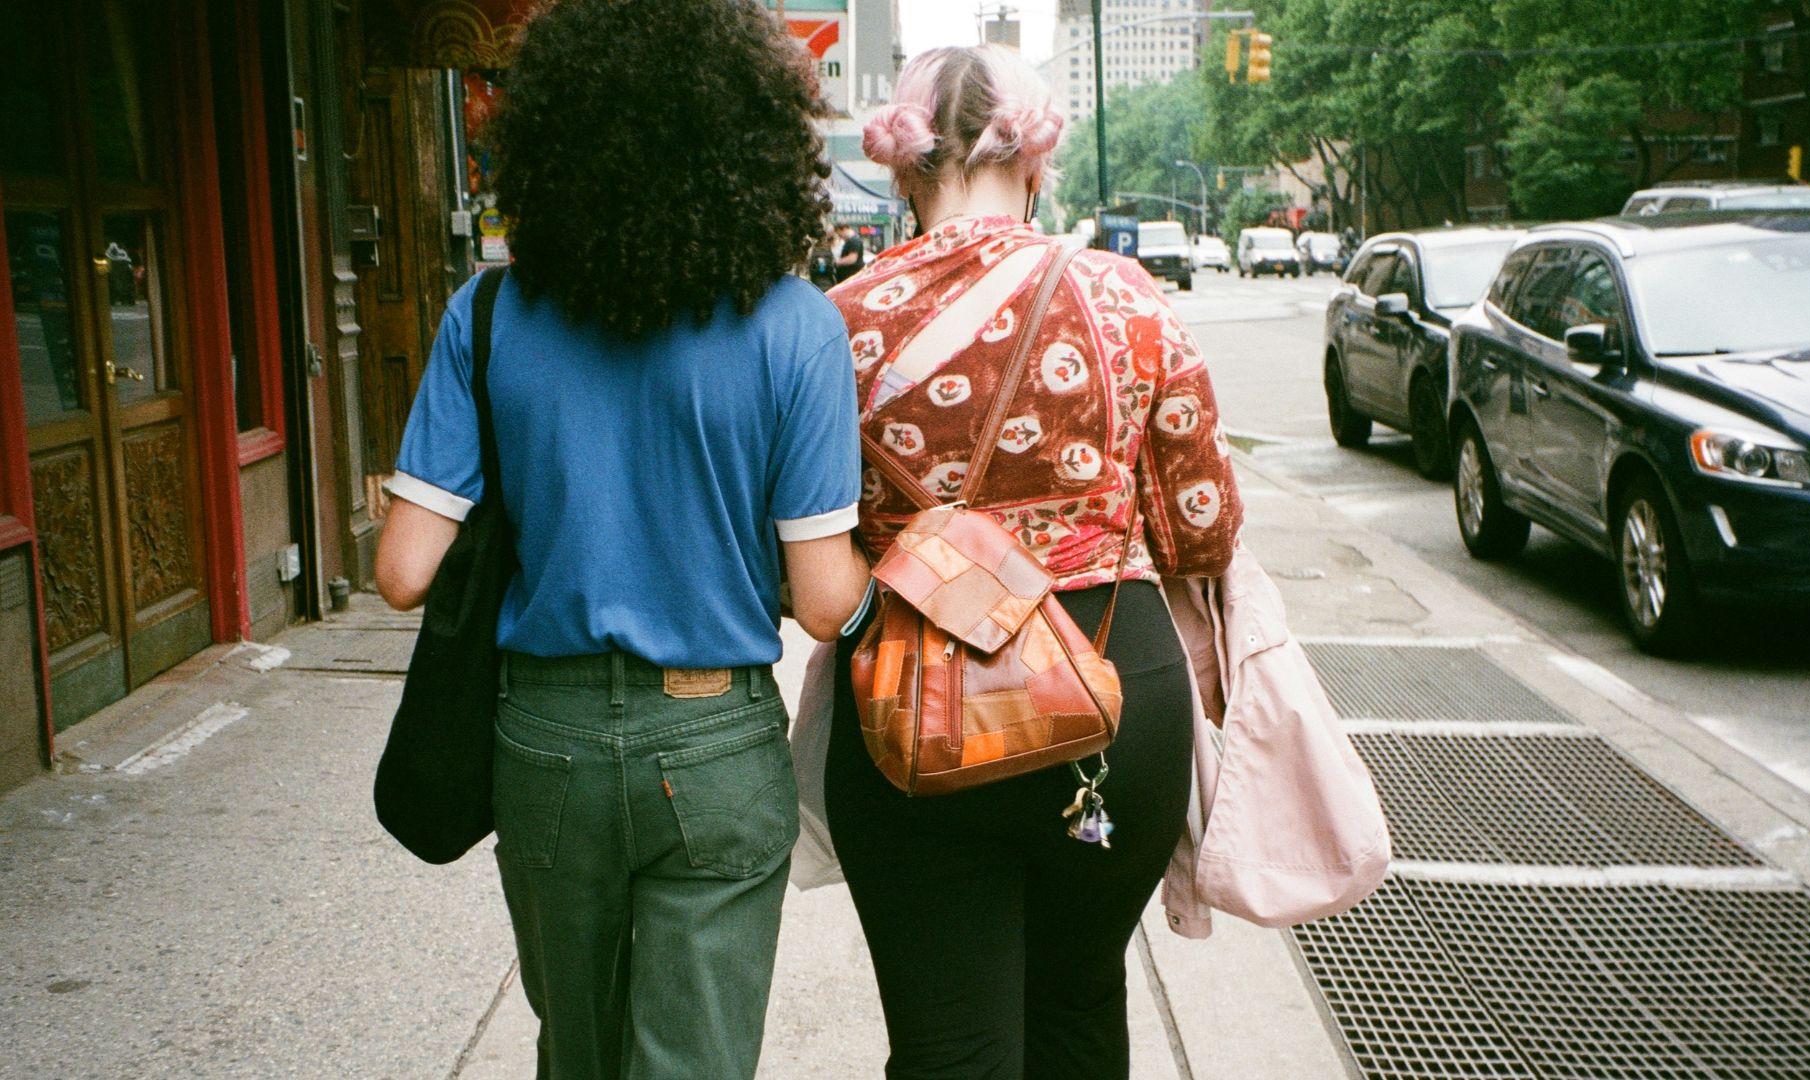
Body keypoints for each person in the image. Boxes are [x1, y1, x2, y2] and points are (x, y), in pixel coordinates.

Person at [372, 2, 871, 1077]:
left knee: (577, 1053)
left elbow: (404, 572)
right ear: (752, 141)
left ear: (553, 137)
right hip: (713, 737)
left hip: (541, 740)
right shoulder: (798, 327)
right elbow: (827, 602)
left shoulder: (490, 316)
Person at [824, 45, 1243, 1080]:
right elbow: (1203, 529)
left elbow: (798, 539)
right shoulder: (1126, 299)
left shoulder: (838, 325)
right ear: (1037, 158)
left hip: (913, 703)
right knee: (1079, 1012)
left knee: (948, 1045)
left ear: (901, 168)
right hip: (1109, 696)